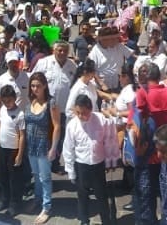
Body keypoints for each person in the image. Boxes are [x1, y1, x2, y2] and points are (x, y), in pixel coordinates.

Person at [63, 94, 120, 225]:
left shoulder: (101, 120)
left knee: (102, 196)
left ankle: (106, 220)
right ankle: (84, 220)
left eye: (84, 113)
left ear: (90, 109)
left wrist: (110, 160)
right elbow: (68, 149)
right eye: (78, 113)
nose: (81, 116)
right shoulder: (72, 125)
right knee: (82, 196)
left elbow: (109, 140)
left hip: (98, 164)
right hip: (81, 165)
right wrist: (71, 171)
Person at [24, 72, 62, 224]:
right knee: (35, 174)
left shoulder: (51, 103)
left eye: (38, 86)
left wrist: (53, 148)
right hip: (31, 144)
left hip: (43, 145)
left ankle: (47, 207)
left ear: (45, 86)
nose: (35, 89)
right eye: (32, 86)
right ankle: (38, 199)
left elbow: (57, 125)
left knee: (45, 177)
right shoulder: (31, 100)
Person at [0, 84, 26, 214]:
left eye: (9, 101)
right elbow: (0, 127)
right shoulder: (2, 110)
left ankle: (14, 203)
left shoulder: (20, 114)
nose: (7, 104)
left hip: (14, 150)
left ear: (15, 98)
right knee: (3, 176)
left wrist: (20, 154)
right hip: (3, 148)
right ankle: (4, 199)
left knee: (14, 179)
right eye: (4, 101)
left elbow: (22, 135)